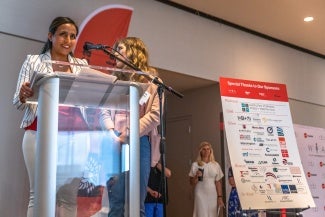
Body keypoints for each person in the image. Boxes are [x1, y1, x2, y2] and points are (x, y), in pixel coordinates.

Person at [13, 16, 88, 217]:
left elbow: (89, 100)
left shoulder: (82, 64)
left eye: (73, 36)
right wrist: (22, 95)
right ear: (50, 36)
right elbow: (17, 102)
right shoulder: (33, 61)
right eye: (63, 34)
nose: (68, 40)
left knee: (69, 197)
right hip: (39, 133)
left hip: (76, 138)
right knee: (38, 194)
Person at [99, 37, 161, 217]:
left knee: (136, 203)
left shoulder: (151, 81)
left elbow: (155, 115)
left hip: (139, 140)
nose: (116, 53)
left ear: (134, 52)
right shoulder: (113, 80)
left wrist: (130, 133)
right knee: (116, 201)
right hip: (114, 140)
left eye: (121, 49)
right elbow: (103, 111)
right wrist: (113, 134)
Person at [189, 141, 225, 217]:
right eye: (204, 149)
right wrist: (196, 176)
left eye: (208, 149)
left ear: (211, 151)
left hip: (213, 193)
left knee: (212, 214)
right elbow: (191, 183)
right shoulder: (195, 164)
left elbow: (218, 182)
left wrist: (220, 197)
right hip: (200, 193)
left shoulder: (215, 164)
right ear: (200, 151)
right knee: (201, 214)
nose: (206, 151)